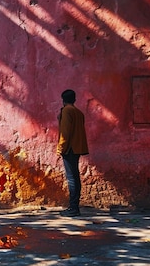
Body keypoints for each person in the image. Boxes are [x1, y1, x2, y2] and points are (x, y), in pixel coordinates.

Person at [57, 89, 89, 217]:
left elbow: (65, 133)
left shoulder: (66, 111)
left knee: (71, 179)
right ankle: (74, 206)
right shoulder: (79, 113)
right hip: (77, 148)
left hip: (69, 149)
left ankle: (73, 208)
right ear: (74, 99)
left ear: (63, 99)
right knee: (75, 178)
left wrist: (61, 148)